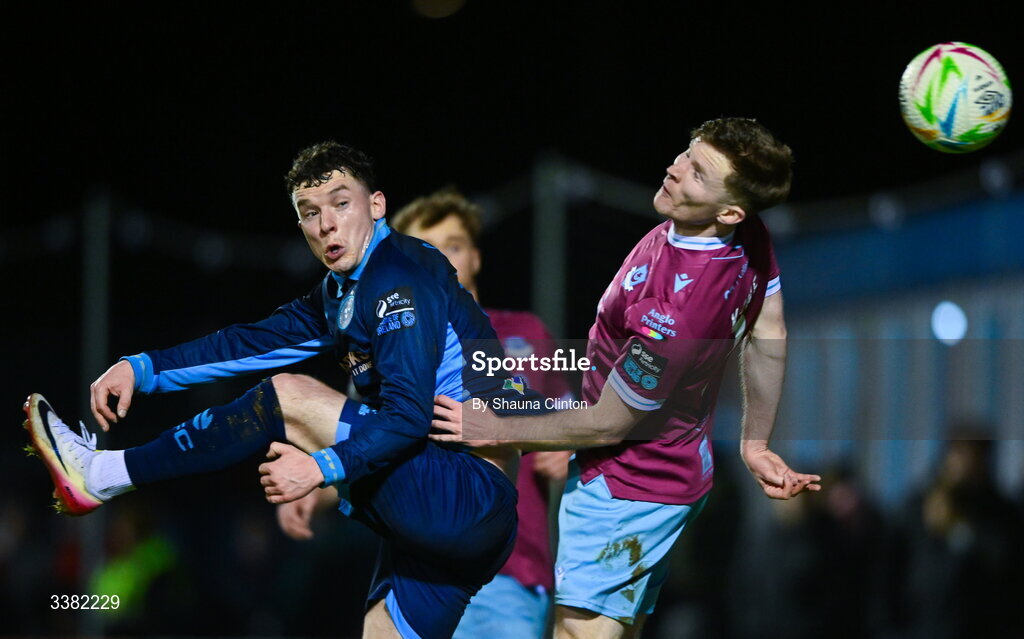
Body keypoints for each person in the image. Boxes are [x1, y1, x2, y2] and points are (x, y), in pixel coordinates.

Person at [23, 141, 525, 639]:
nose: (326, 223)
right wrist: (142, 368)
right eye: (310, 212)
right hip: (449, 518)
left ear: (377, 206)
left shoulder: (398, 277)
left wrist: (319, 467)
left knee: (289, 396)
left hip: (466, 495)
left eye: (341, 203)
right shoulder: (340, 293)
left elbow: (408, 417)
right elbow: (248, 342)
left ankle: (103, 473)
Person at [431, 118, 822, 638]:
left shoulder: (676, 313)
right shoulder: (743, 230)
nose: (675, 169)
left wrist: (494, 428)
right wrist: (756, 442)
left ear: (727, 210)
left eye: (697, 173)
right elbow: (768, 329)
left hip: (626, 486)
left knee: (577, 634)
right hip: (673, 469)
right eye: (687, 153)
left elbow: (606, 425)